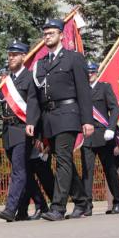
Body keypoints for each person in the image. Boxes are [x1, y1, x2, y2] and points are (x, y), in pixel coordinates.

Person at [26, 19, 94, 221]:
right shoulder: (40, 64)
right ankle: (82, 201)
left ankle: (58, 207)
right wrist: (32, 121)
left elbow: (83, 91)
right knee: (64, 160)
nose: (47, 36)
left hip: (68, 114)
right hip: (49, 118)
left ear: (61, 35)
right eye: (45, 33)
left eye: (52, 33)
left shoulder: (73, 58)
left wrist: (87, 120)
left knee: (63, 159)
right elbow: (34, 96)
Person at [0, 41, 39, 222]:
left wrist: (32, 123)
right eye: (10, 55)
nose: (11, 58)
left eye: (15, 55)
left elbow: (34, 102)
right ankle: (29, 208)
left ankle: (10, 209)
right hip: (8, 131)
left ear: (24, 57)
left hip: (22, 129)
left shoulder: (29, 77)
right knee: (24, 172)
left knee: (18, 171)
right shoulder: (6, 80)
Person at [75, 61, 119, 216]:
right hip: (87, 136)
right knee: (87, 172)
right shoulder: (81, 90)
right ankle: (87, 205)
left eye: (92, 72)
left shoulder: (104, 87)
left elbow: (115, 108)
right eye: (87, 72)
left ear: (96, 72)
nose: (89, 75)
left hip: (104, 135)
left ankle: (118, 202)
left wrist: (111, 128)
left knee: (110, 170)